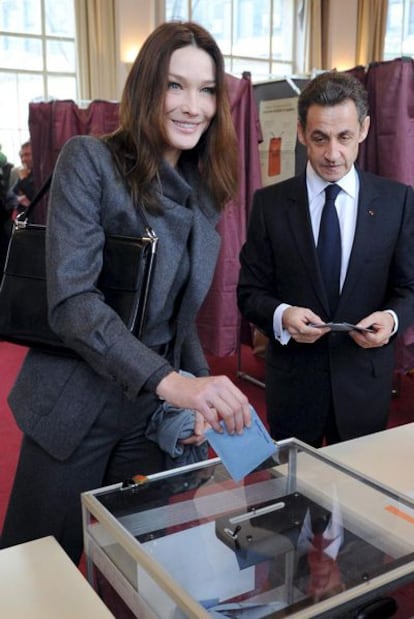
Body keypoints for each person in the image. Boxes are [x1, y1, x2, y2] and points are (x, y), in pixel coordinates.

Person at [0, 21, 251, 565]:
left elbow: (178, 321)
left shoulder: (206, 190)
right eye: (174, 85)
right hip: (75, 403)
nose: (192, 105)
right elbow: (73, 304)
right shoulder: (91, 160)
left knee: (143, 566)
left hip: (148, 415)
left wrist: (199, 389)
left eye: (207, 90)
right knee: (40, 568)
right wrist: (177, 384)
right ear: (145, 90)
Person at [237, 71, 414, 448]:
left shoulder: (397, 201)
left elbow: (409, 288)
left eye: (344, 137)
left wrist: (391, 318)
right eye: (320, 138)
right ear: (301, 132)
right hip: (294, 386)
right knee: (290, 498)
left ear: (364, 129)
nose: (333, 153)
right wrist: (282, 315)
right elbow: (249, 293)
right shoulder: (269, 205)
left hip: (364, 386)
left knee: (358, 501)